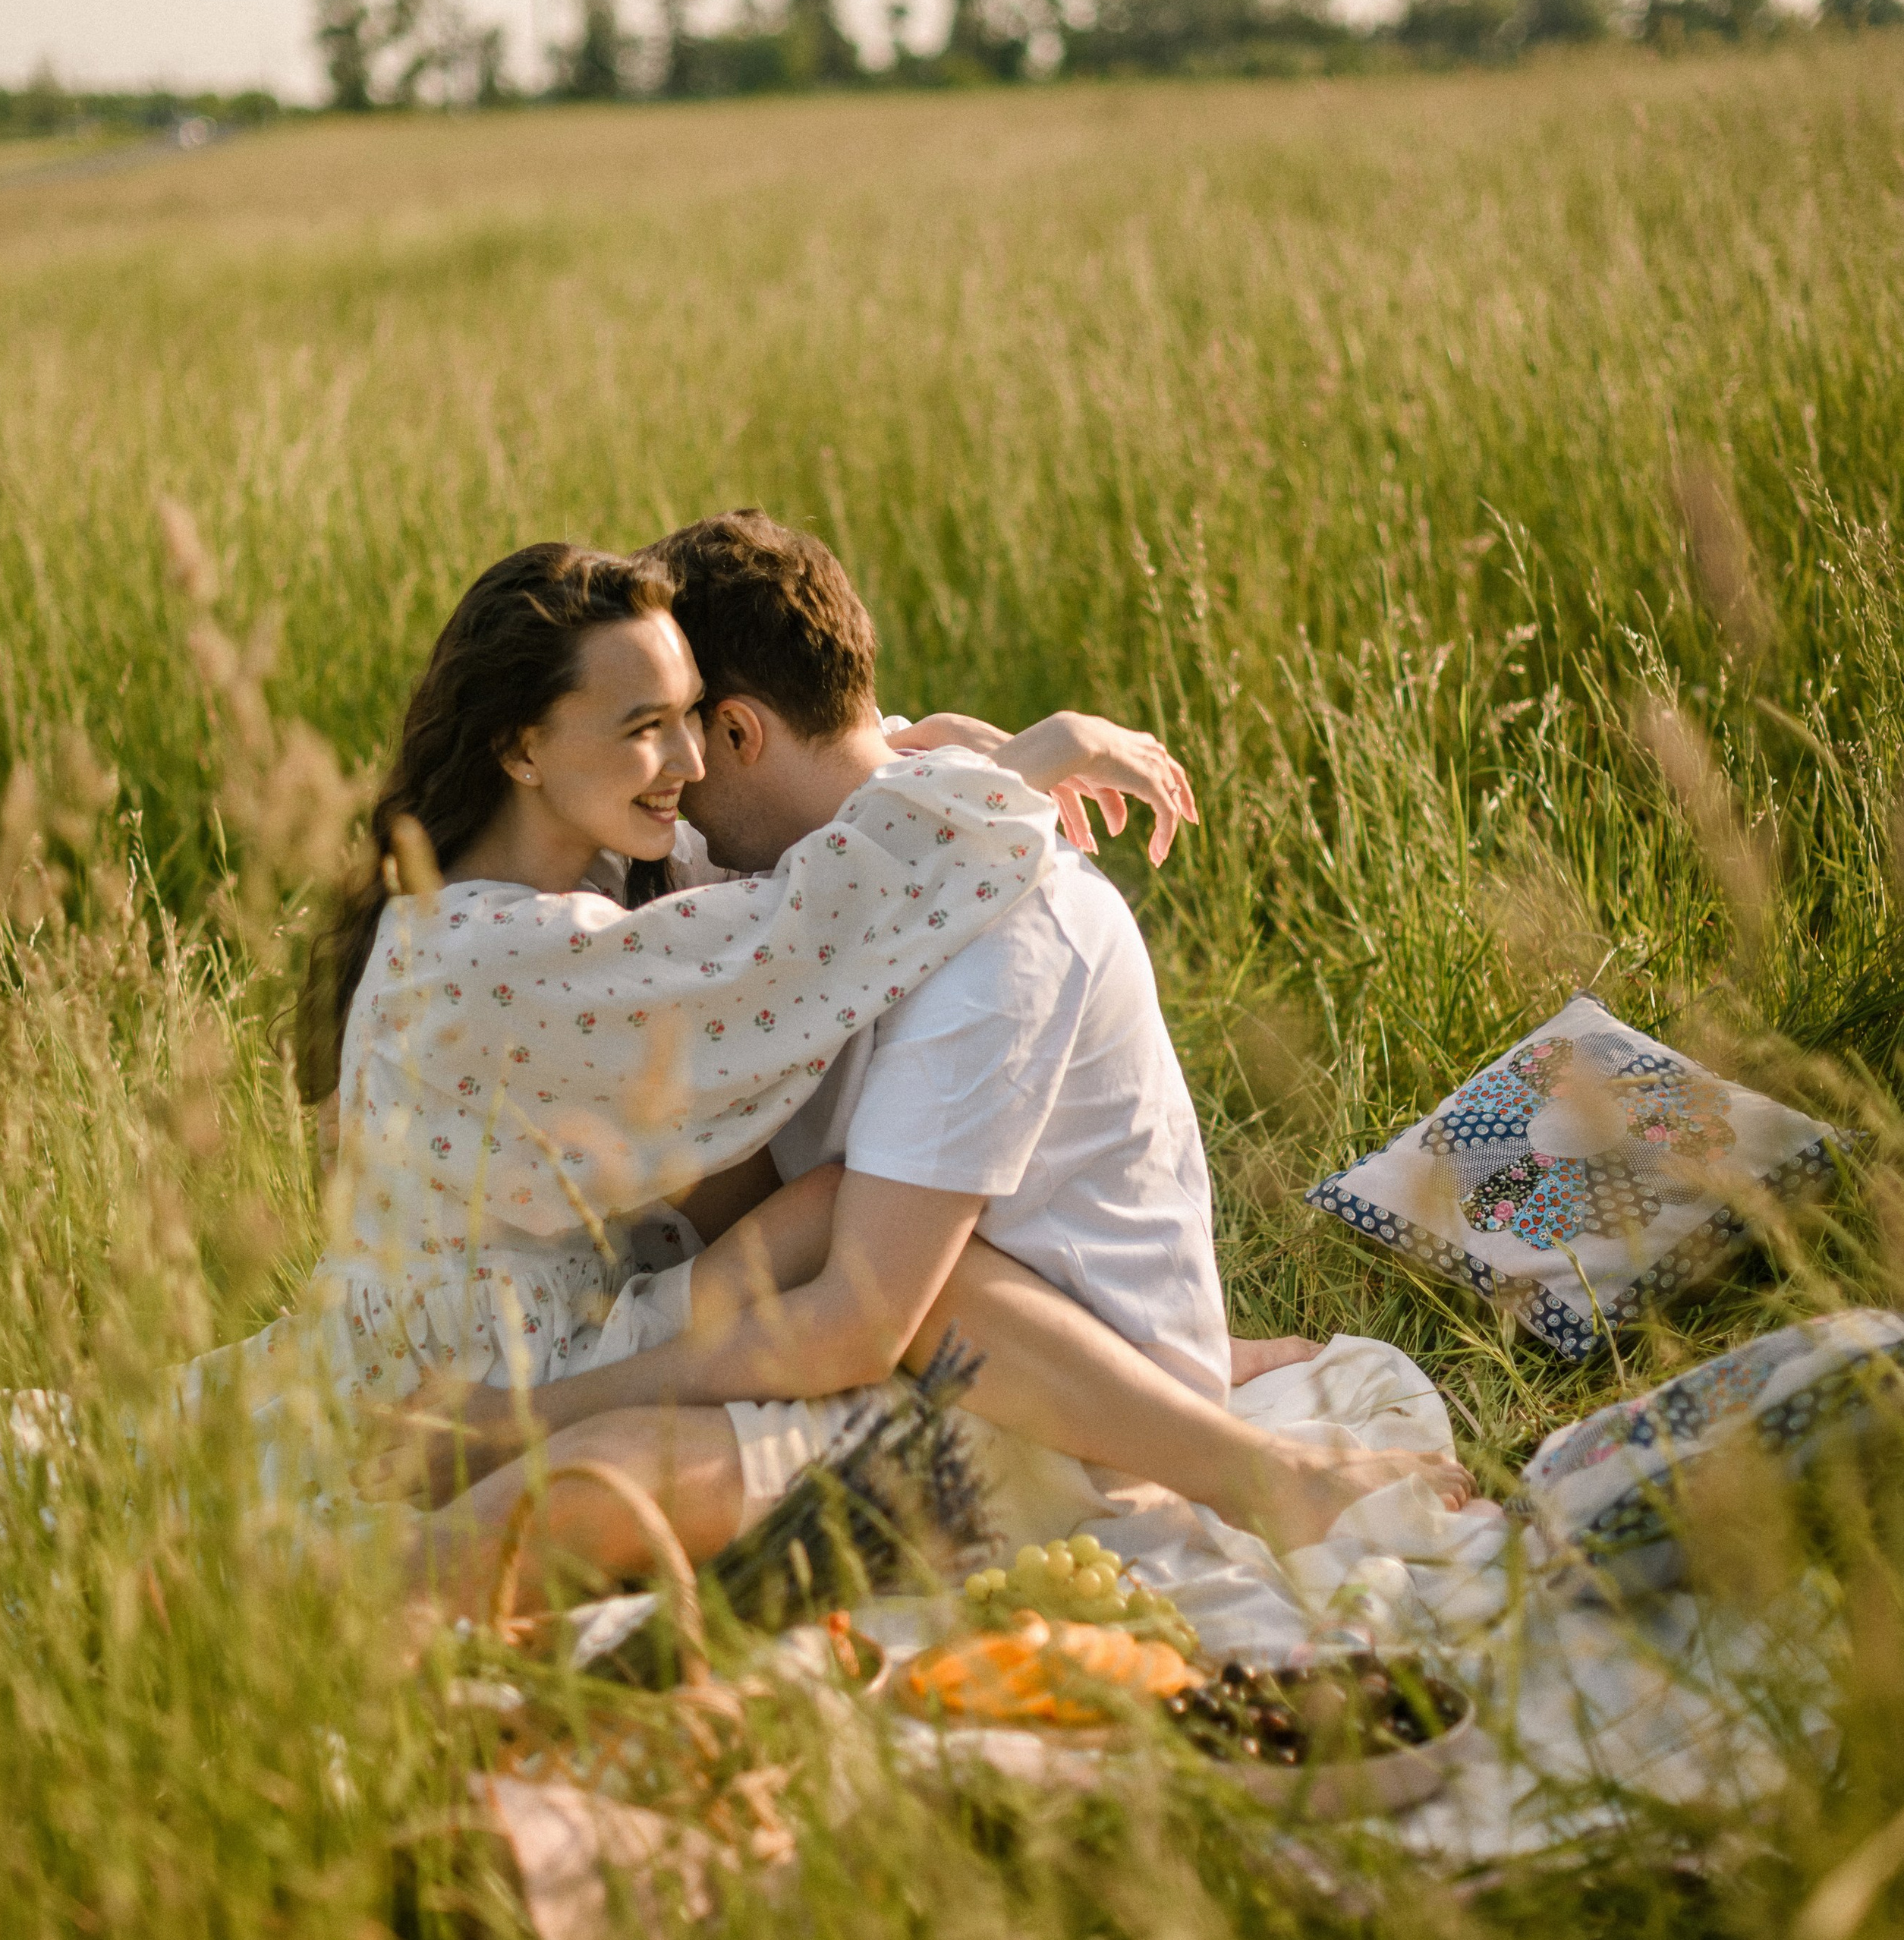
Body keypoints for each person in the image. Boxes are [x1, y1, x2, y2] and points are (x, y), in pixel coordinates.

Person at [418, 518, 1474, 1608]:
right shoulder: (813, 863)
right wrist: (977, 749)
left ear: (735, 732)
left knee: (593, 1480)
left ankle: (1262, 1472)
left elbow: (869, 1314)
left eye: (687, 733)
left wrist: (532, 1417)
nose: (673, 781)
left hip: (1054, 1415)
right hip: (870, 1315)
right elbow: (876, 779)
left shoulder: (1005, 932)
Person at [268, 537, 1214, 1604]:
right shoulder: (511, 953)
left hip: (566, 1317)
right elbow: (797, 926)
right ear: (523, 751)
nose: (689, 766)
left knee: (850, 1214)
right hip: (483, 1360)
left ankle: (1169, 1399)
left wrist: (910, 750)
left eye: (691, 721)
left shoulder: (580, 869)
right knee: (840, 1233)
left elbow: (819, 829)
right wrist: (1010, 765)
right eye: (645, 728)